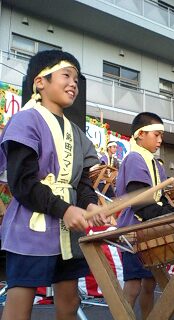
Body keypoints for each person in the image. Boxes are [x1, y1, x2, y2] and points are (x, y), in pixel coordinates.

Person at [0, 50, 107, 320]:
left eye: (77, 79)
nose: (74, 84)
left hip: (67, 232)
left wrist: (90, 203)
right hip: (32, 226)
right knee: (19, 308)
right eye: (66, 75)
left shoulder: (77, 134)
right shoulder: (26, 119)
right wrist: (65, 209)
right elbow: (22, 182)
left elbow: (81, 183)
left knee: (69, 305)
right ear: (40, 82)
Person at [116, 112, 174, 320]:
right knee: (133, 285)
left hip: (150, 228)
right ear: (140, 134)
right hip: (134, 230)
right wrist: (168, 214)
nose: (160, 140)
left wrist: (171, 211)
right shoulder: (134, 158)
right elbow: (141, 201)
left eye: (161, 136)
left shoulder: (156, 163)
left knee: (150, 283)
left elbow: (160, 198)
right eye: (156, 135)